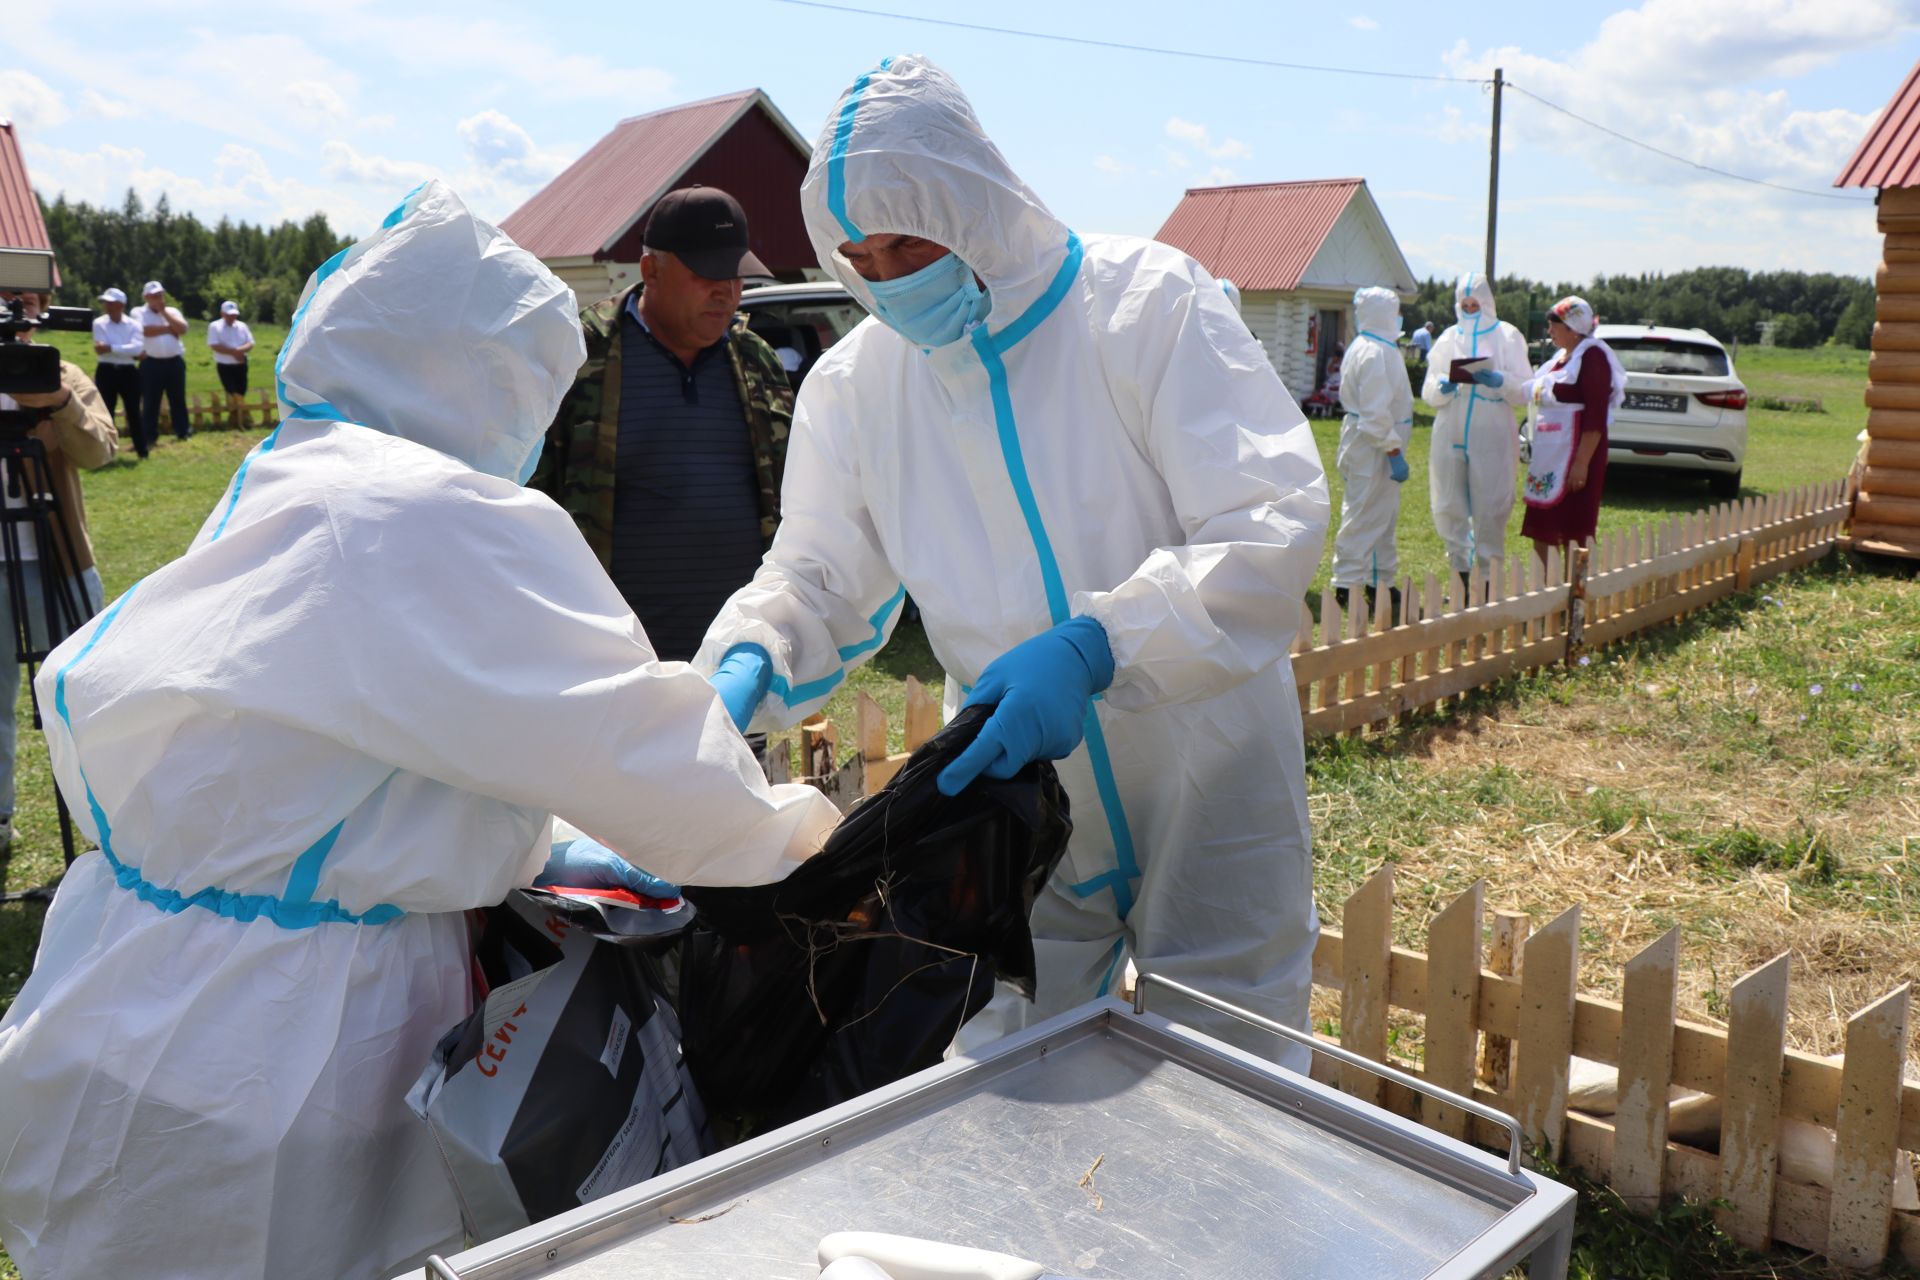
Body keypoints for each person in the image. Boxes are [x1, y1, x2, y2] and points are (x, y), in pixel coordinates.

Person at [0, 181, 840, 1280]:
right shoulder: (429, 511)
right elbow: (634, 753)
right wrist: (808, 838)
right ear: (485, 378)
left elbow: (344, 732)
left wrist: (527, 832)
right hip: (298, 1042)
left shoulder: (290, 471)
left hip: (121, 985)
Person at [695, 56, 1329, 1068]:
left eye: (910, 242)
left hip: (1205, 761)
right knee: (1010, 1063)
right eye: (861, 257)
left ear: (977, 204)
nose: (888, 278)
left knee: (1231, 1065)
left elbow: (1266, 521)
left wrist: (1097, 646)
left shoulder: (1144, 306)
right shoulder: (857, 388)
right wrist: (750, 659)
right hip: (1013, 788)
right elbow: (817, 573)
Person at [533, 185, 792, 685]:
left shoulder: (755, 361)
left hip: (736, 658)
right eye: (707, 275)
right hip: (612, 660)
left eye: (735, 276)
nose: (727, 292)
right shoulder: (575, 358)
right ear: (651, 270)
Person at [0, 289, 116, 852]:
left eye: (21, 305)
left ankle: (108, 813)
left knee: (84, 688)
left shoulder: (60, 373)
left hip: (60, 558)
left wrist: (61, 404)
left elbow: (100, 452)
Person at [1422, 273, 1532, 591]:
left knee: (1491, 503)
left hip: (1491, 429)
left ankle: (1487, 580)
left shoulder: (1507, 335)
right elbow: (1428, 390)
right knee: (1448, 501)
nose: (1470, 310)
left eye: (1475, 305)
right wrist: (1442, 387)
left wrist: (1501, 381)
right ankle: (1459, 574)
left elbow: (1524, 388)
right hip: (1450, 428)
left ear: (1487, 303)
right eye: (1465, 305)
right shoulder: (1447, 339)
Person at [1520, 296, 1625, 564]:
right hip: (1550, 455)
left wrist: (1581, 463)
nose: (1549, 331)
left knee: (1573, 528)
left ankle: (1573, 585)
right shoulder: (1561, 358)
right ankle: (1546, 584)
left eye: (1554, 326)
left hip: (1577, 455)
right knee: (1544, 525)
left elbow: (1596, 415)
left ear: (1573, 328)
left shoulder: (1593, 357)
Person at [1332, 287, 1414, 622]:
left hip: (1372, 443)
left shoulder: (1372, 346)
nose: (1398, 317)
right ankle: (1347, 583)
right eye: (1395, 311)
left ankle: (1380, 580)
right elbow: (1374, 414)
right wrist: (1393, 450)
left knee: (1383, 516)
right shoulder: (1375, 352)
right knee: (1364, 514)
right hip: (1374, 446)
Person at [136, 279, 190, 453]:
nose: (158, 299)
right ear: (146, 297)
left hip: (174, 362)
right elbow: (143, 330)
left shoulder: (172, 311)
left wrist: (164, 313)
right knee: (151, 400)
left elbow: (182, 329)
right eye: (153, 296)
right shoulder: (138, 312)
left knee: (178, 399)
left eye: (160, 295)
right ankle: (149, 435)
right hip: (151, 363)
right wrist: (168, 328)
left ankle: (182, 431)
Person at [89, 286, 143, 433]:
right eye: (106, 303)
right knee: (106, 410)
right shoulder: (99, 323)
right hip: (106, 370)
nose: (107, 306)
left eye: (111, 303)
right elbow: (100, 348)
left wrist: (111, 348)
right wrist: (125, 349)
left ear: (121, 305)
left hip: (128, 371)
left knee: (133, 410)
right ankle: (108, 445)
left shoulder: (134, 324)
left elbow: (137, 349)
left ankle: (141, 445)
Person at [206, 298, 255, 427]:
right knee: (230, 391)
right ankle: (239, 416)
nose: (232, 317)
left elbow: (250, 343)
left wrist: (240, 351)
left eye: (234, 315)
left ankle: (239, 417)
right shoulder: (215, 326)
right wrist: (234, 352)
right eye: (229, 315)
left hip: (241, 363)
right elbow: (214, 345)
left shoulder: (242, 326)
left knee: (241, 390)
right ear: (222, 314)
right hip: (225, 364)